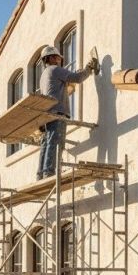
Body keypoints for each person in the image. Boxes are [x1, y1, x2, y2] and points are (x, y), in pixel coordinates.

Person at [36, 45, 98, 180]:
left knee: (46, 143)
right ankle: (49, 172)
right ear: (51, 58)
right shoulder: (55, 70)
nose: (59, 60)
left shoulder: (44, 75)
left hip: (48, 114)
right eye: (58, 57)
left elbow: (60, 87)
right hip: (57, 112)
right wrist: (88, 69)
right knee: (56, 142)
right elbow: (77, 78)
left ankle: (41, 173)